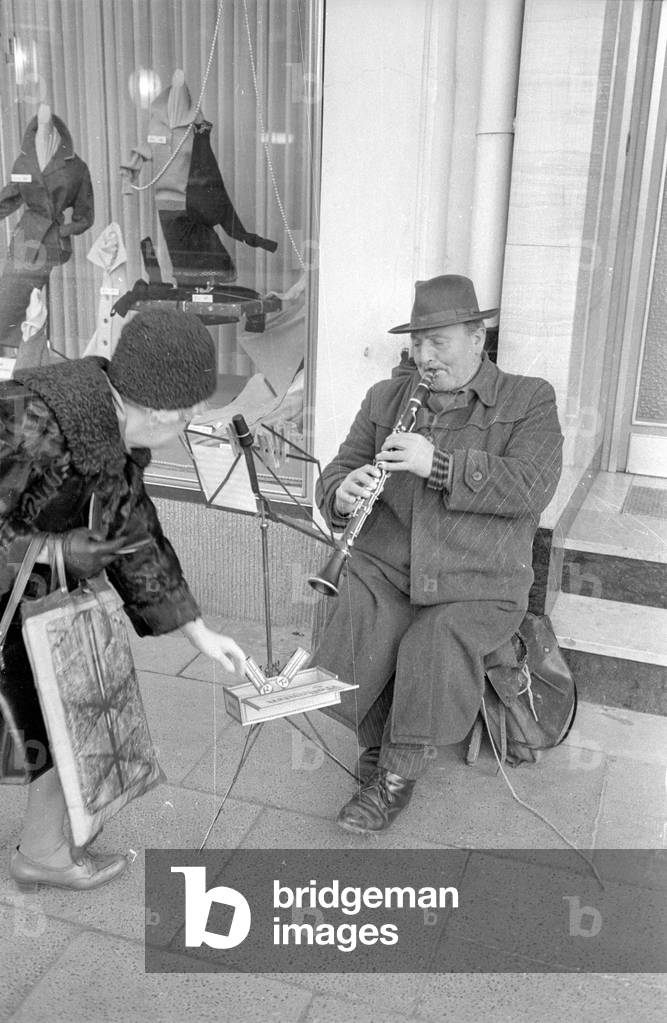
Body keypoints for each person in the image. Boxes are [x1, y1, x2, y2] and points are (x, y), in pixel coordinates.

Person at [0, 307, 246, 889]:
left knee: (65, 713)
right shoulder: (25, 421)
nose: (186, 429)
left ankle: (45, 843)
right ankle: (42, 851)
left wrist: (197, 631)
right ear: (160, 410)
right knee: (49, 718)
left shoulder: (106, 421)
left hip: (32, 602)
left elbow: (134, 533)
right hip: (18, 597)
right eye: (187, 418)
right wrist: (56, 554)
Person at [311, 275, 564, 834]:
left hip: (479, 579)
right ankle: (380, 745)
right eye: (417, 345)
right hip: (392, 565)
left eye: (439, 342)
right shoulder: (386, 398)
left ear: (478, 338)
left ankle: (394, 781)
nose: (424, 357)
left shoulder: (529, 399)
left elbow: (533, 486)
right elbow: (337, 468)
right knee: (362, 620)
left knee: (433, 640)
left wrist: (441, 464)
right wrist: (341, 490)